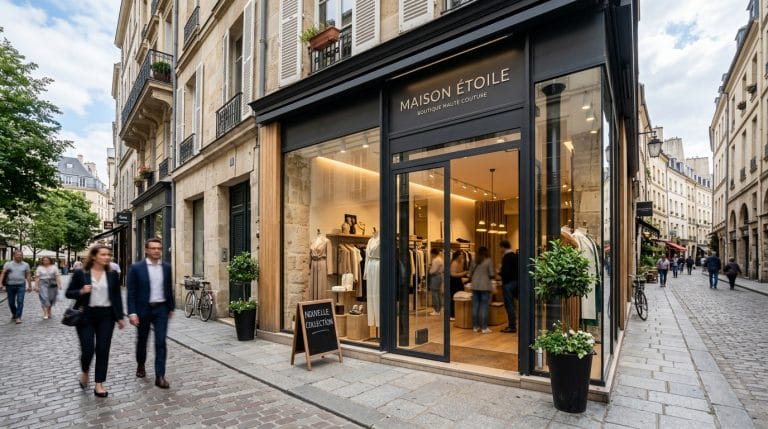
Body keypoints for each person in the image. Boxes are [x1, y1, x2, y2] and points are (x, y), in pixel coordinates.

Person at [65, 244, 125, 398]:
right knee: (88, 350)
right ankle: (85, 371)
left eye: (108, 255)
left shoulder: (112, 274)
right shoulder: (81, 273)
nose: (107, 257)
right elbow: (68, 293)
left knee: (103, 350)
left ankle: (99, 384)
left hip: (106, 316)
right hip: (86, 316)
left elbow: (116, 297)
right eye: (103, 254)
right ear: (93, 256)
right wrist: (81, 291)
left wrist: (119, 317)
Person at [127, 238, 174, 389]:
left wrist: (170, 308)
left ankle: (160, 376)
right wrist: (132, 313)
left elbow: (168, 288)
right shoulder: (136, 268)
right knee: (142, 340)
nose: (156, 251)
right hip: (143, 309)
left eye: (159, 248)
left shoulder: (167, 267)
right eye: (153, 248)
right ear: (146, 250)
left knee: (161, 342)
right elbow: (131, 292)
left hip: (161, 309)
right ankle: (141, 363)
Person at [1, 250, 32, 324]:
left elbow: (28, 275)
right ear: (14, 255)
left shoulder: (26, 264)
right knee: (11, 302)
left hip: (21, 285)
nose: (19, 256)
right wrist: (0, 283)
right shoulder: (8, 264)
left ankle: (18, 317)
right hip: (9, 285)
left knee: (20, 301)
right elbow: (3, 273)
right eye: (18, 255)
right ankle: (14, 313)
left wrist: (30, 286)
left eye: (21, 255)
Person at [469, 246, 495, 334]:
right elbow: (491, 274)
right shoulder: (488, 261)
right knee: (484, 306)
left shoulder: (473, 260)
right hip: (485, 286)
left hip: (474, 285)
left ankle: (475, 327)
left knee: (475, 306)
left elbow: (470, 273)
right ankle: (484, 328)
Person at [499, 240, 518, 334]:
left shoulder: (506, 257)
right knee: (514, 305)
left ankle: (512, 326)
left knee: (509, 304)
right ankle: (513, 324)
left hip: (508, 283)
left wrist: (499, 272)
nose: (500, 250)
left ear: (503, 247)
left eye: (500, 248)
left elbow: (505, 272)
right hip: (516, 282)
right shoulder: (515, 256)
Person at [448, 251, 468, 320]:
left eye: (462, 255)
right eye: (461, 255)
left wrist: (464, 274)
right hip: (453, 281)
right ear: (457, 256)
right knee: (453, 297)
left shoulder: (461, 261)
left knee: (460, 295)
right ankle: (452, 314)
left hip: (458, 280)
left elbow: (460, 271)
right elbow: (452, 274)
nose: (462, 256)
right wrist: (463, 273)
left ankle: (458, 313)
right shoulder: (454, 263)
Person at [428, 248, 444, 316]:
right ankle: (439, 309)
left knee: (434, 294)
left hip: (435, 277)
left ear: (433, 253)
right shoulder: (441, 259)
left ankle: (436, 310)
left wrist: (429, 270)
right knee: (438, 293)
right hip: (440, 276)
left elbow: (433, 270)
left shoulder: (435, 260)